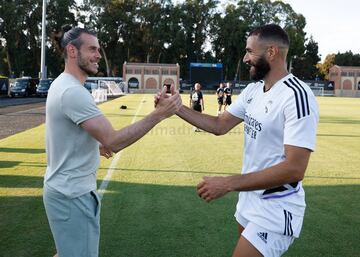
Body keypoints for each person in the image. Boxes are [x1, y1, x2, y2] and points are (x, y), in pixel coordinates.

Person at [157, 24, 319, 257]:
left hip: (276, 207)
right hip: (249, 201)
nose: (245, 58)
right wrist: (176, 107)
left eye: (250, 51)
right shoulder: (253, 91)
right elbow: (218, 125)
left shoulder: (297, 95)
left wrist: (228, 183)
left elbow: (295, 169)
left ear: (271, 52)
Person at [43, 26, 182, 257]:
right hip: (73, 195)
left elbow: (67, 136)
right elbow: (114, 140)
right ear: (72, 51)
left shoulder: (64, 85)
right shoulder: (72, 92)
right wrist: (159, 114)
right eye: (92, 49)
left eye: (98, 49)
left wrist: (94, 146)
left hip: (63, 190)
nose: (98, 55)